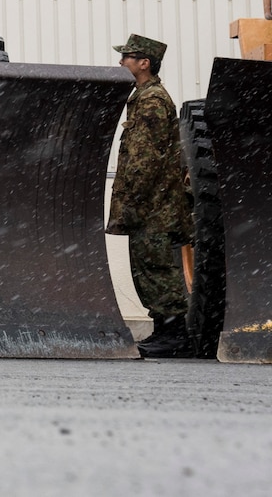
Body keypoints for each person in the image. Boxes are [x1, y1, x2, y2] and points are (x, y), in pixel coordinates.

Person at [106, 33, 195, 358]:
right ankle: (165, 332)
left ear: (144, 63)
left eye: (127, 57)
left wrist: (132, 203)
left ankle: (174, 336)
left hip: (153, 208)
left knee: (157, 270)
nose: (121, 62)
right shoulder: (143, 97)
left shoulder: (152, 100)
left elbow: (144, 161)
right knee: (148, 269)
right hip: (151, 206)